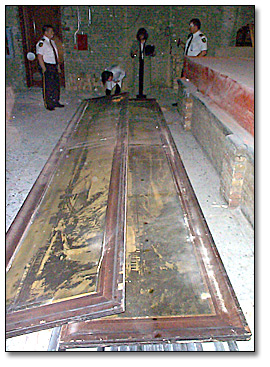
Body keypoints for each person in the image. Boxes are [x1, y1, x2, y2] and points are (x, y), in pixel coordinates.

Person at [36, 25, 64, 111]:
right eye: (51, 31)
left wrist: (58, 66)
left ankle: (56, 101)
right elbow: (39, 57)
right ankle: (49, 103)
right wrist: (44, 68)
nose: (53, 33)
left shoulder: (52, 42)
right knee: (48, 85)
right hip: (47, 65)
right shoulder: (42, 43)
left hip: (54, 65)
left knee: (55, 84)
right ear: (46, 32)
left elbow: (55, 55)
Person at [130, 28, 155, 98]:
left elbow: (153, 53)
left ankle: (144, 93)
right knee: (137, 78)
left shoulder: (149, 43)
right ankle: (138, 93)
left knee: (145, 78)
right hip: (138, 62)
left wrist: (151, 51)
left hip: (145, 62)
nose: (141, 36)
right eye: (140, 35)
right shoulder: (135, 43)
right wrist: (133, 53)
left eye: (142, 35)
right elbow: (132, 54)